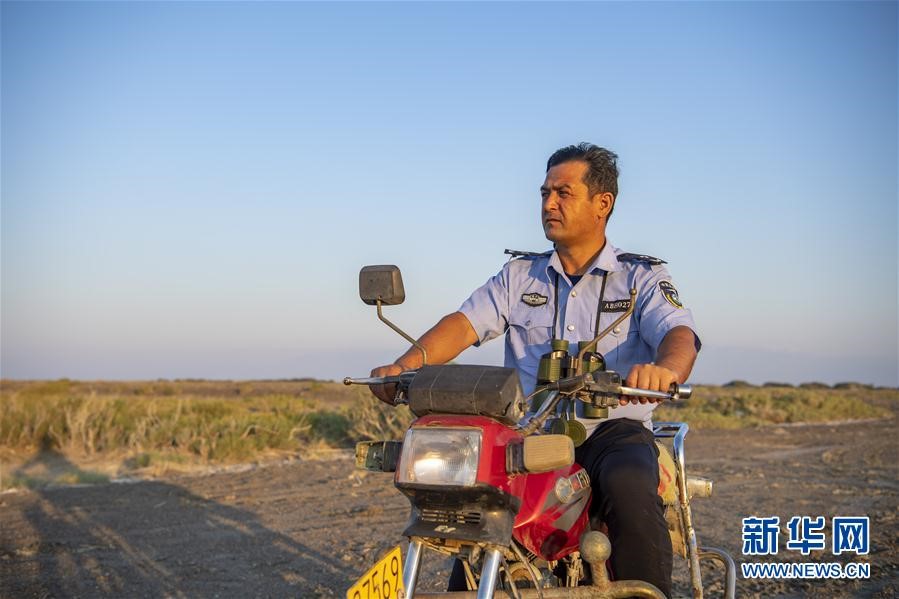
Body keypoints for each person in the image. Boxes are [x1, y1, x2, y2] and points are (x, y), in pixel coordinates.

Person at [369, 143, 700, 597]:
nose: (548, 204)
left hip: (610, 431)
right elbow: (464, 324)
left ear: (602, 204)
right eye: (544, 192)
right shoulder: (518, 276)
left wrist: (665, 370)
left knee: (627, 486)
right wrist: (405, 365)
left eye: (563, 192)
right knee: (476, 501)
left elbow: (679, 333)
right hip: (530, 433)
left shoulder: (640, 277)